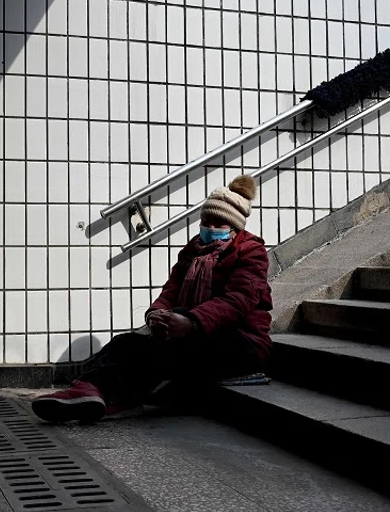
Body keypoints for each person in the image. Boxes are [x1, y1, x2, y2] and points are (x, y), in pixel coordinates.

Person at [32, 174, 273, 424]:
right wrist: (156, 313)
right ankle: (88, 388)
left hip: (243, 343)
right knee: (127, 342)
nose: (210, 228)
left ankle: (113, 397)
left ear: (234, 229)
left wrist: (190, 321)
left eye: (219, 224)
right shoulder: (192, 251)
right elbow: (170, 291)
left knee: (167, 349)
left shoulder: (251, 252)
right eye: (206, 221)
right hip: (196, 332)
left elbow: (237, 300)